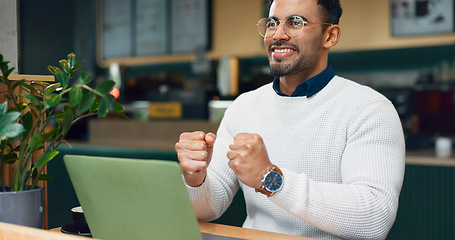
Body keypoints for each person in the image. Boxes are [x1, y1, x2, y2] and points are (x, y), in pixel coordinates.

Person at [175, 0, 405, 239]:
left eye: (296, 23)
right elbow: (209, 208)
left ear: (330, 35)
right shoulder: (243, 106)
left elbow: (374, 218)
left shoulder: (369, 108)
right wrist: (195, 180)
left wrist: (270, 178)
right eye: (272, 23)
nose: (278, 35)